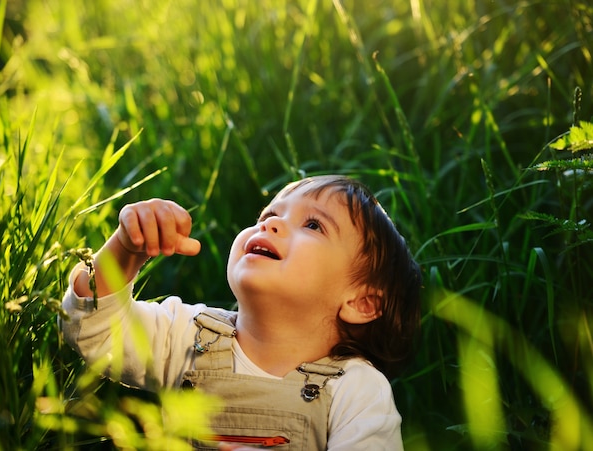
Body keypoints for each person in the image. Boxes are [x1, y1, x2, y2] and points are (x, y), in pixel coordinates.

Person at [61, 174, 422, 450]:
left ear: (360, 303)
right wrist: (126, 248)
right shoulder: (191, 336)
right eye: (270, 214)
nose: (270, 224)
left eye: (313, 225)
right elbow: (96, 332)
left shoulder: (354, 389)